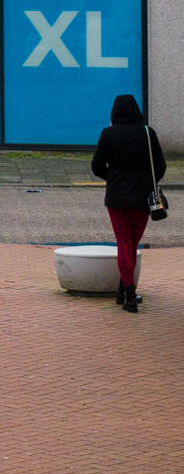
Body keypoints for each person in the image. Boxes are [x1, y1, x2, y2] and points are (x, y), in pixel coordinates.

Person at [91, 94, 166, 312]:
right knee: (131, 243)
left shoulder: (108, 134)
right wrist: (145, 182)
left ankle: (126, 293)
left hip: (116, 199)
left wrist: (113, 179)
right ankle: (127, 291)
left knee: (124, 242)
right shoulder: (147, 133)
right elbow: (160, 166)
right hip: (142, 199)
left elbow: (96, 166)